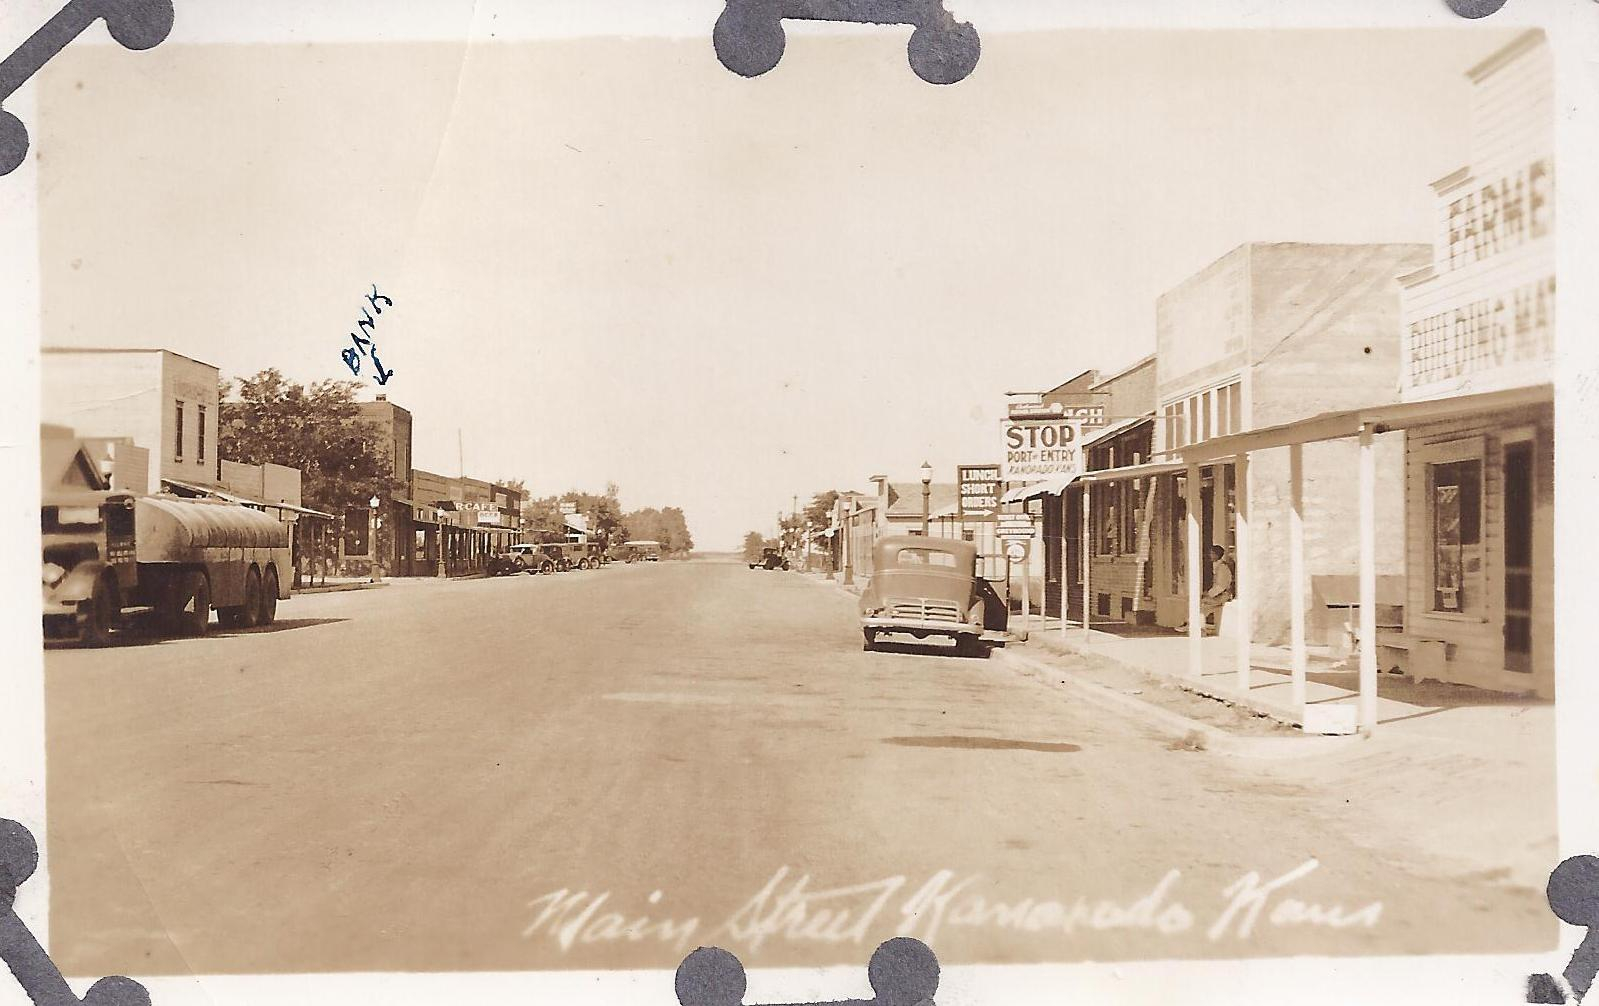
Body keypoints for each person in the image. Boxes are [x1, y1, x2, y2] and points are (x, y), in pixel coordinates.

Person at [1177, 545, 1235, 635]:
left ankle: (1197, 628)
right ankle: (1194, 625)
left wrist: (1209, 594)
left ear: (1216, 555)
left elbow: (1221, 586)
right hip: (1219, 594)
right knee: (1199, 604)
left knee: (1200, 605)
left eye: (1212, 553)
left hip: (1223, 595)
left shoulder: (1222, 568)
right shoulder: (1218, 566)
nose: (1210, 555)